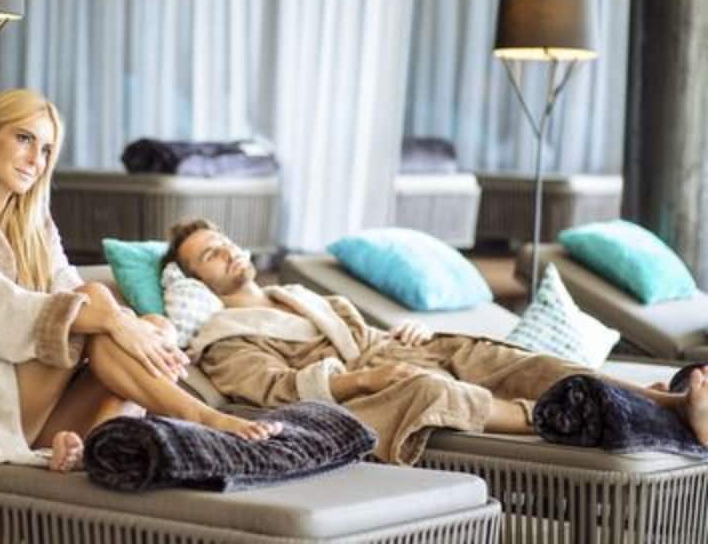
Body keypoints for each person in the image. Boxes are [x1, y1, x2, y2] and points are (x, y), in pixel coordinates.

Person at [0, 91, 279, 484]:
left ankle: (87, 447)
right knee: (94, 306)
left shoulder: (35, 228)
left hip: (35, 401)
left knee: (145, 322)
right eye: (24, 139)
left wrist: (140, 328)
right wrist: (117, 321)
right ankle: (199, 417)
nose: (36, 159)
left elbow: (69, 288)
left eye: (47, 150)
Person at [161, 218, 708, 465]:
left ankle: (665, 402)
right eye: (210, 254)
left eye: (225, 241)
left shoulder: (299, 295)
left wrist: (407, 333)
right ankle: (571, 415)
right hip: (362, 393)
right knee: (432, 391)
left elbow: (365, 335)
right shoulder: (223, 337)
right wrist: (370, 376)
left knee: (512, 357)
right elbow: (277, 390)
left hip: (397, 353)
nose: (227, 252)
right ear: (196, 281)